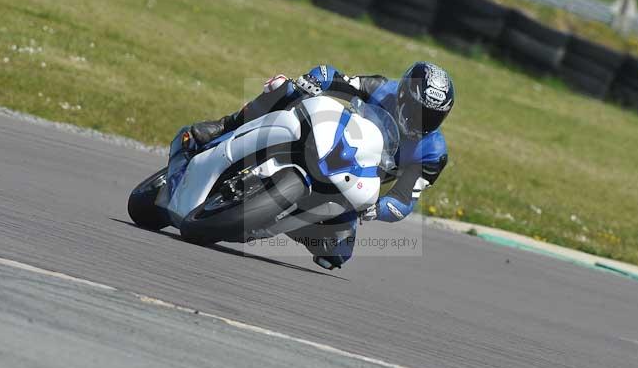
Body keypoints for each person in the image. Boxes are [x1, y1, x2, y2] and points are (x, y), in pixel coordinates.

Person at [179, 62, 454, 270]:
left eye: (433, 117)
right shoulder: (383, 89)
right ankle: (226, 126)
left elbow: (405, 199)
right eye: (421, 111)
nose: (424, 121)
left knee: (336, 252)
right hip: (330, 141)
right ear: (404, 95)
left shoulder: (433, 154)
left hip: (353, 184)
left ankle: (273, 218)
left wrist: (378, 209)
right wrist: (313, 80)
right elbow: (334, 75)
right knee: (285, 88)